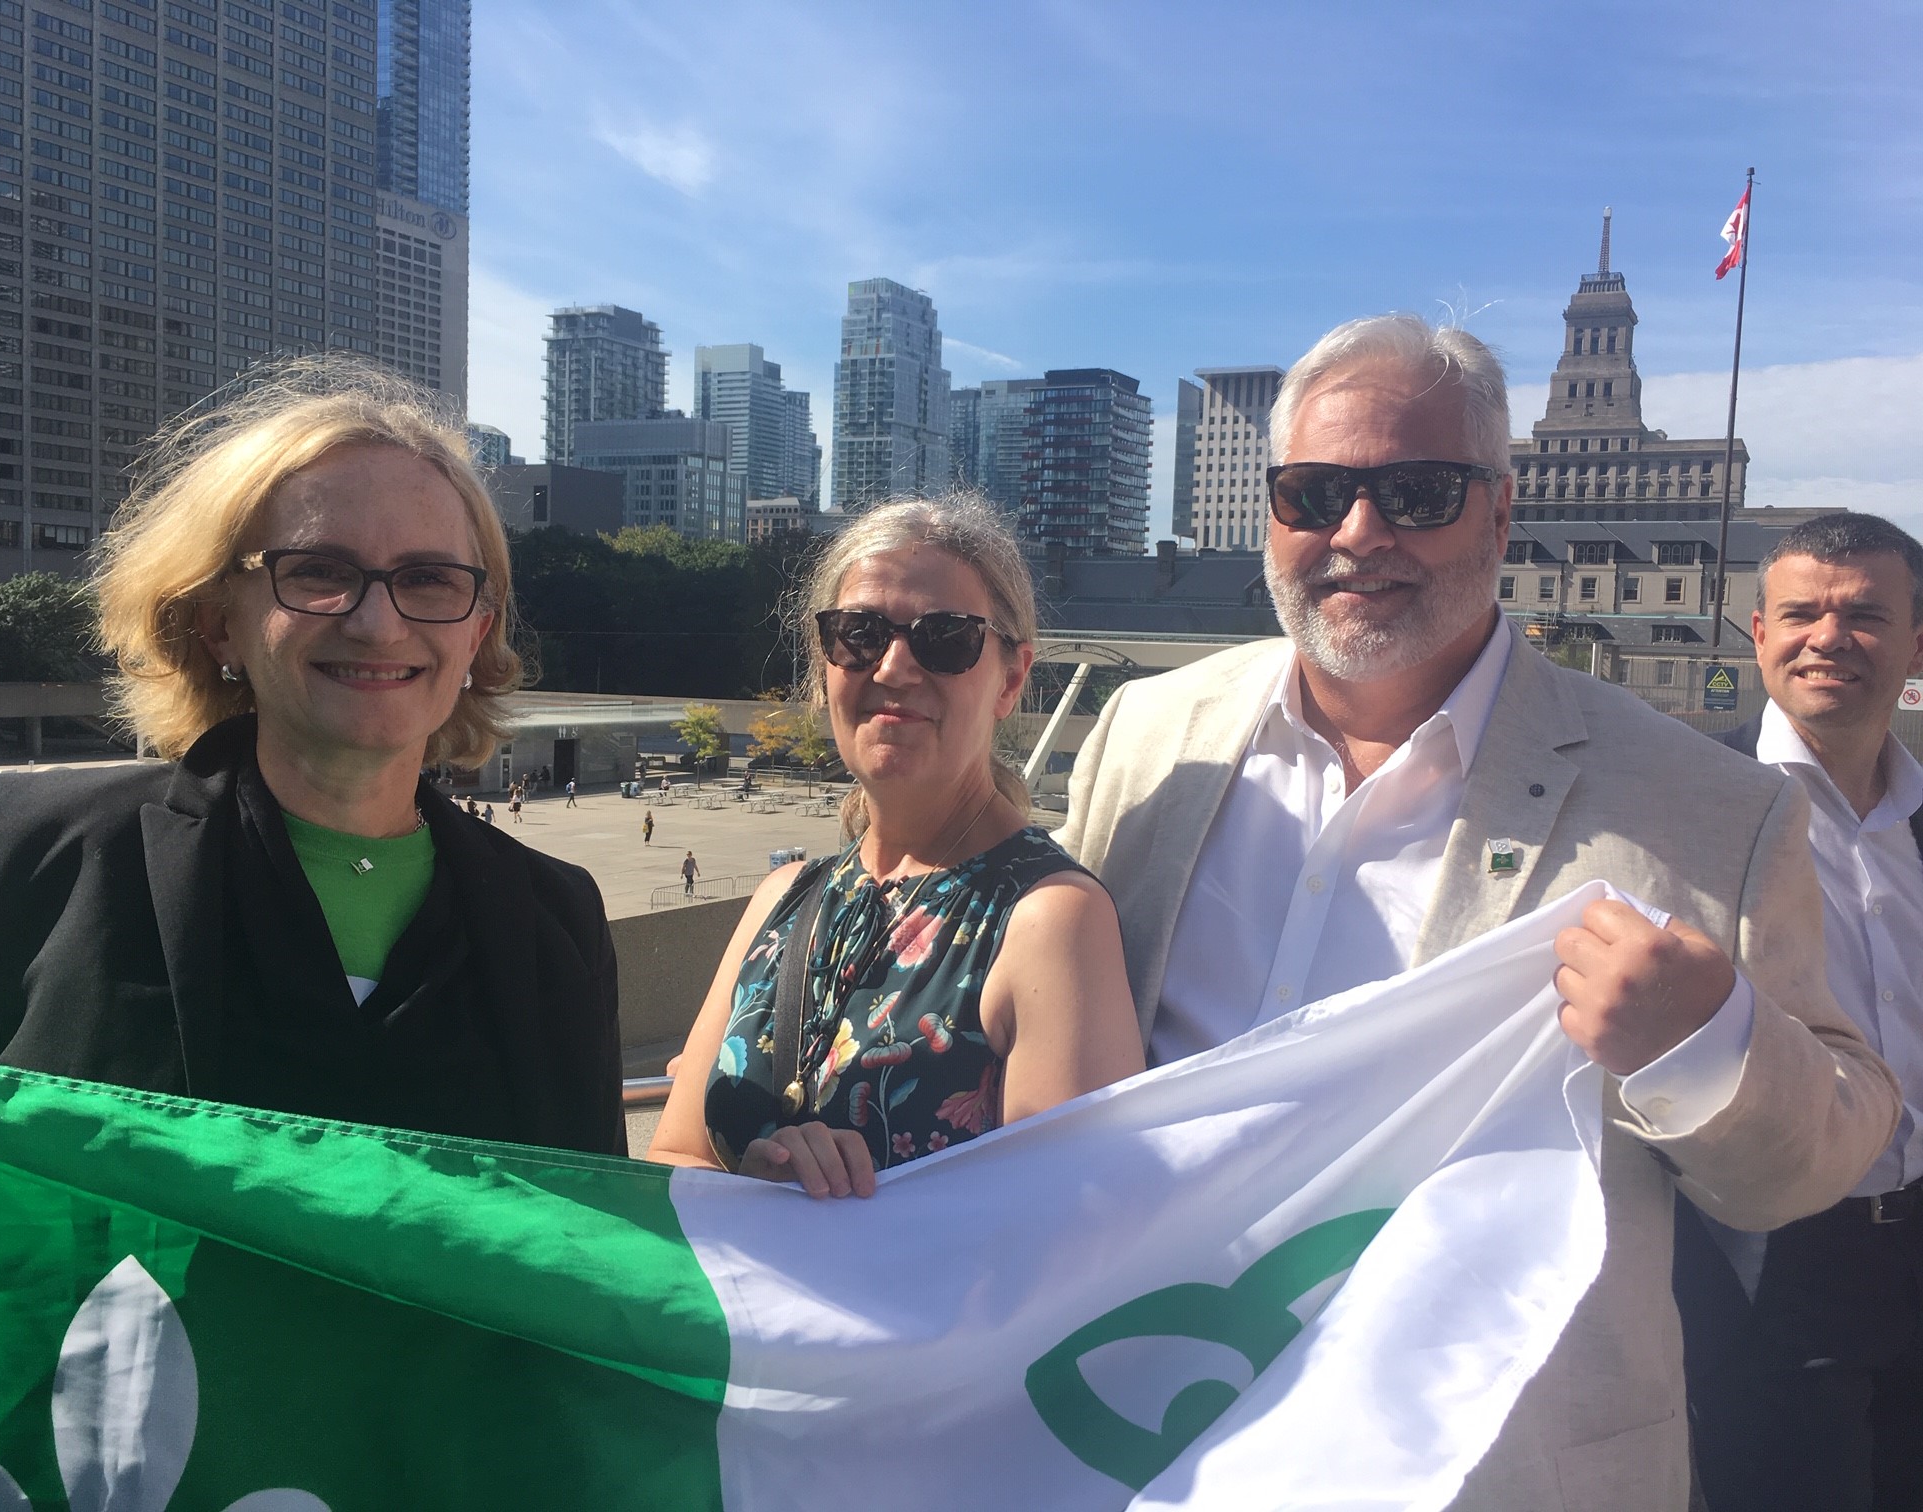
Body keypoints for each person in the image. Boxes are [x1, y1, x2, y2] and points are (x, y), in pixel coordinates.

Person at [1054, 315, 1899, 1509]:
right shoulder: (1150, 736)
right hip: (1149, 1434)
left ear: (1501, 514)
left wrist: (1710, 1048)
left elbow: (1826, 1149)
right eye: (1315, 493)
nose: (1359, 533)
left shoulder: (1710, 809)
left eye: (1417, 491)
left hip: (1497, 1468)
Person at [0, 356, 626, 1154]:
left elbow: (591, 1229)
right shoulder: (26, 855)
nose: (378, 625)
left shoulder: (557, 918)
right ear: (218, 621)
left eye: (427, 578)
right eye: (319, 570)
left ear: (476, 633)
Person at [650, 498, 1144, 1199]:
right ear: (824, 667)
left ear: (1010, 679)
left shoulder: (1048, 922)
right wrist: (760, 1186)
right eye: (859, 633)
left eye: (945, 638)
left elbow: (1068, 1241)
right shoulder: (785, 896)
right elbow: (675, 1158)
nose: (894, 667)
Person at [1677, 513, 1923, 1511]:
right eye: (1802, 613)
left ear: (1917, 641)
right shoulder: (1687, 804)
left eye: (1866, 614)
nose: (1829, 637)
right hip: (1768, 1264)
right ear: (1757, 633)